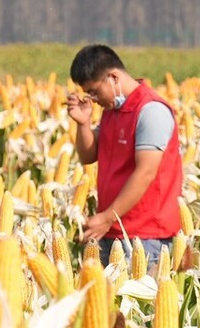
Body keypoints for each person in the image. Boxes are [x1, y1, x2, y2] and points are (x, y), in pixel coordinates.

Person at [66, 44, 183, 265]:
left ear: (113, 77)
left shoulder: (151, 111)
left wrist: (108, 217)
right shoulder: (112, 111)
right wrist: (83, 124)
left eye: (94, 91)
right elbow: (88, 156)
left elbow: (146, 172)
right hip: (112, 229)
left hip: (145, 237)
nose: (92, 98)